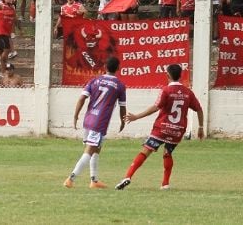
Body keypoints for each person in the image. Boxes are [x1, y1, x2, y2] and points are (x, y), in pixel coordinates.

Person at [116, 64, 204, 191]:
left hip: (162, 128)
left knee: (146, 151)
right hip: (177, 130)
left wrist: (137, 116)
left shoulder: (166, 90)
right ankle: (165, 184)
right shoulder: (188, 92)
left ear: (167, 75)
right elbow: (199, 109)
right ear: (181, 75)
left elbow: (155, 107)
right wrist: (200, 127)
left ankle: (128, 176)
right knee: (167, 152)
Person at [63, 56, 127, 189]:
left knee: (96, 149)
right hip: (100, 122)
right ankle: (71, 178)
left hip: (89, 119)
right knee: (89, 151)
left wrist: (75, 115)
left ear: (105, 67)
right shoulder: (120, 86)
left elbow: (82, 98)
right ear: (118, 69)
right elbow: (122, 106)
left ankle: (94, 180)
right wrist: (122, 121)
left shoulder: (94, 80)